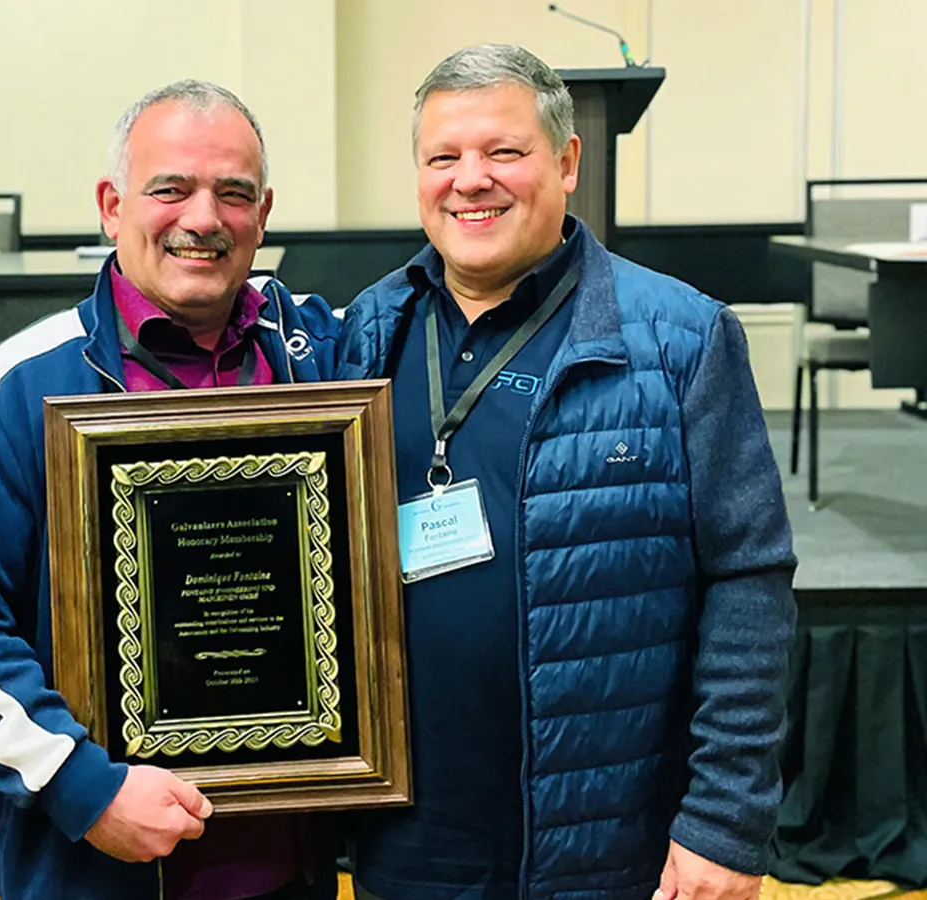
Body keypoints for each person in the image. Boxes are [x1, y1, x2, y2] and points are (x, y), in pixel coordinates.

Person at [335, 44, 797, 900]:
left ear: (566, 161)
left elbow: (749, 583)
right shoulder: (369, 331)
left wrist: (726, 824)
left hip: (609, 840)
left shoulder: (682, 338)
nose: (470, 180)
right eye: (444, 157)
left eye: (503, 152)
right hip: (411, 838)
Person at [0, 80, 340, 900]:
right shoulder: (14, 393)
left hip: (294, 866)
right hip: (100, 870)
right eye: (170, 188)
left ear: (263, 215)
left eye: (233, 194)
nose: (203, 218)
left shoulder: (325, 361)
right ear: (110, 204)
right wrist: (77, 782)